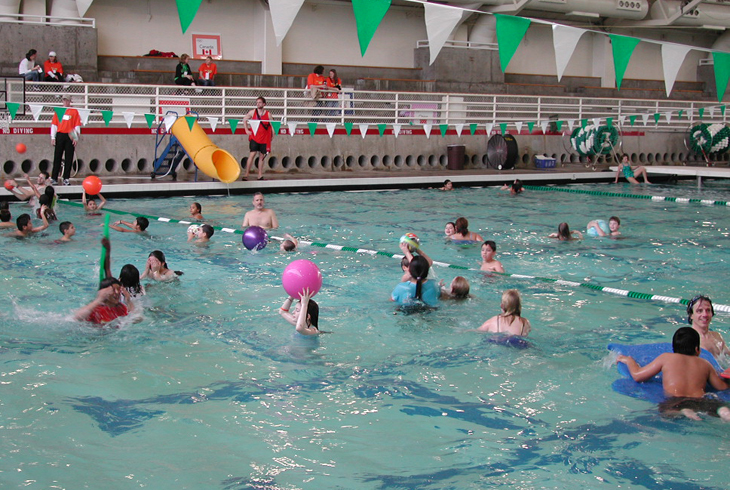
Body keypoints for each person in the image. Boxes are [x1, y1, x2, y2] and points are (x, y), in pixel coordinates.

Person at [617, 327, 730, 421]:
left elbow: (637, 376)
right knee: (718, 407)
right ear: (697, 350)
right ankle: (724, 412)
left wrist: (629, 361)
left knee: (667, 410)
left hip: (675, 401)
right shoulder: (705, 363)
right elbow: (722, 387)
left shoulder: (666, 358)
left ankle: (685, 410)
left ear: (673, 348)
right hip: (701, 400)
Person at [50, 94, 82, 186]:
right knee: (57, 157)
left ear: (69, 101)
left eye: (67, 100)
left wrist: (75, 138)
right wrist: (53, 137)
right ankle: (54, 177)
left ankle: (66, 178)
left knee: (69, 157)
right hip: (60, 134)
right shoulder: (58, 111)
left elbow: (77, 125)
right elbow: (54, 125)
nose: (65, 102)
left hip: (70, 134)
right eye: (64, 100)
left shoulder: (74, 111)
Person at [686, 295, 730, 360]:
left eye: (708, 310)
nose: (705, 315)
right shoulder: (688, 341)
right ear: (691, 315)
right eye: (699, 311)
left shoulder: (717, 337)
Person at [242, 96, 274, 181]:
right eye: (257, 102)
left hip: (264, 138)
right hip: (254, 137)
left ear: (264, 104)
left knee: (261, 156)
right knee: (252, 155)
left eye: (259, 102)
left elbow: (273, 125)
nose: (258, 104)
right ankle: (246, 174)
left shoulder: (268, 114)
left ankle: (260, 175)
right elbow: (244, 119)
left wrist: (272, 135)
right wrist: (246, 130)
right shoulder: (253, 112)